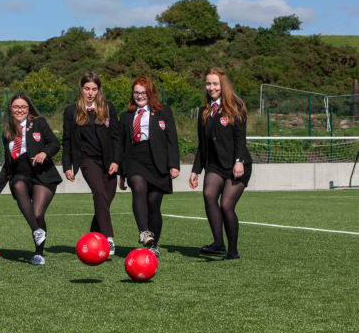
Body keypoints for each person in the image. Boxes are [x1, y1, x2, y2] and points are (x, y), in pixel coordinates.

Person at [0, 93, 62, 265]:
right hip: (21, 175)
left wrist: (44, 153)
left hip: (43, 174)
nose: (20, 110)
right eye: (16, 107)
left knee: (37, 213)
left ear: (28, 109)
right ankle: (37, 231)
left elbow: (55, 144)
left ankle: (39, 253)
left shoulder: (39, 123)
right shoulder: (7, 134)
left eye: (23, 107)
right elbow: (7, 166)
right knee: (18, 184)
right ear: (11, 110)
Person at [189, 67, 252, 260]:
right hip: (215, 165)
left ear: (222, 85)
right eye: (208, 83)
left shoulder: (236, 106)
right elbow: (202, 145)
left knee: (226, 205)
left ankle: (232, 251)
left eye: (215, 83)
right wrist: (196, 170)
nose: (211, 87)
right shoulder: (204, 112)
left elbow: (241, 138)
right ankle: (218, 243)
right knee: (208, 194)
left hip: (237, 165)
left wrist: (239, 161)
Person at [118, 76, 180, 258]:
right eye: (136, 92)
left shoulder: (164, 112)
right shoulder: (126, 116)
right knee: (137, 186)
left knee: (153, 204)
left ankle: (153, 245)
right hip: (135, 158)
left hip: (158, 162)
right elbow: (121, 146)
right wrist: (122, 173)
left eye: (143, 92)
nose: (139, 96)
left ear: (150, 93)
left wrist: (173, 164)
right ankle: (144, 231)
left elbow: (172, 139)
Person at [62, 71, 120, 254]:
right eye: (87, 88)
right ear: (81, 89)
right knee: (100, 194)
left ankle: (93, 238)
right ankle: (108, 239)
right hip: (87, 161)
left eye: (94, 89)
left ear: (99, 90)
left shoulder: (108, 108)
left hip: (108, 162)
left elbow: (117, 137)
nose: (90, 93)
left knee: (106, 199)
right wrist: (67, 166)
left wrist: (116, 161)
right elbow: (67, 141)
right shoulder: (71, 111)